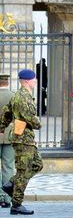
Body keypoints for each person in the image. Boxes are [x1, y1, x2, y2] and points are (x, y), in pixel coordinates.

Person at [0, 69, 43, 215]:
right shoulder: (23, 97)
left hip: (26, 139)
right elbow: (31, 118)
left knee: (37, 164)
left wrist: (2, 126)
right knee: (23, 171)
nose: (35, 81)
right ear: (26, 81)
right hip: (23, 139)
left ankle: (11, 184)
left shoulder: (17, 95)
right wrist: (38, 124)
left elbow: (6, 112)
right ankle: (16, 204)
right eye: (34, 79)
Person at [0, 74, 14, 208]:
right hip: (9, 135)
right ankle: (7, 197)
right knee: (8, 166)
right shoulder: (13, 96)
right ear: (7, 82)